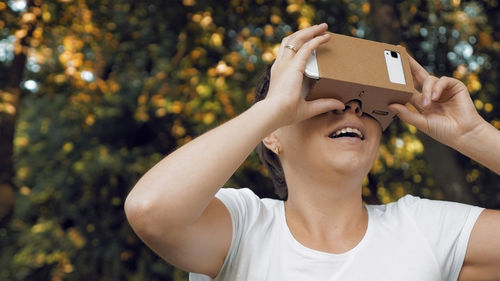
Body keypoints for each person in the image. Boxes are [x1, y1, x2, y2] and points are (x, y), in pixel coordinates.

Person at [124, 23, 500, 280]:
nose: (351, 108)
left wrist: (473, 135)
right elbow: (150, 210)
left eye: (367, 105)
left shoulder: (426, 229)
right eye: (322, 99)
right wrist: (272, 108)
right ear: (272, 135)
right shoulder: (243, 225)